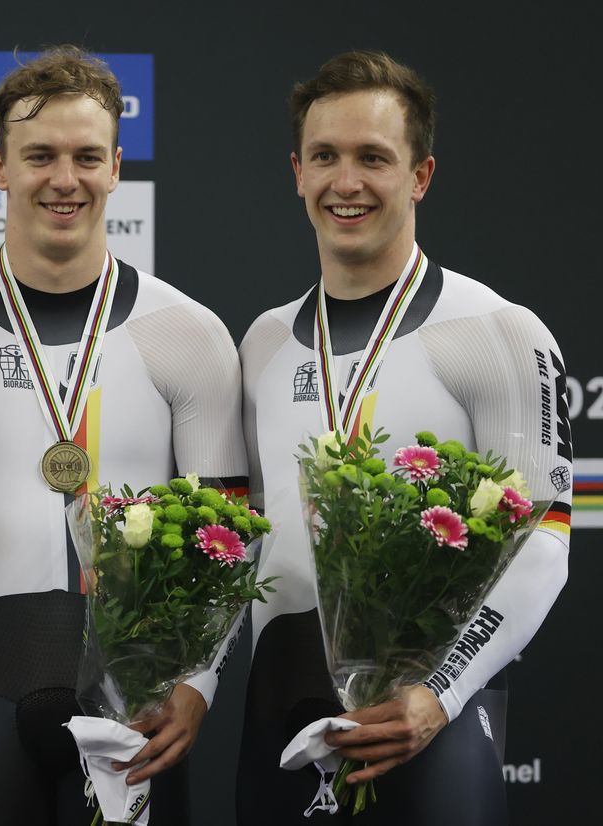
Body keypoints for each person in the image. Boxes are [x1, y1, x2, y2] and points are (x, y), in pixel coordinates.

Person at [0, 47, 249, 826]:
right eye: (40, 156)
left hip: (140, 704)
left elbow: (230, 545)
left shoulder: (187, 332)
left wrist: (197, 683)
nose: (65, 178)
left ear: (117, 166)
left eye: (88, 156)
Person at [237, 50, 572, 825]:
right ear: (297, 171)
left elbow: (544, 541)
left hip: (434, 719)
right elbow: (248, 543)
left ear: (420, 176)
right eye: (324, 156)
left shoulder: (497, 332)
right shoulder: (261, 343)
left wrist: (440, 693)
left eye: (372, 158)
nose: (345, 182)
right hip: (278, 715)